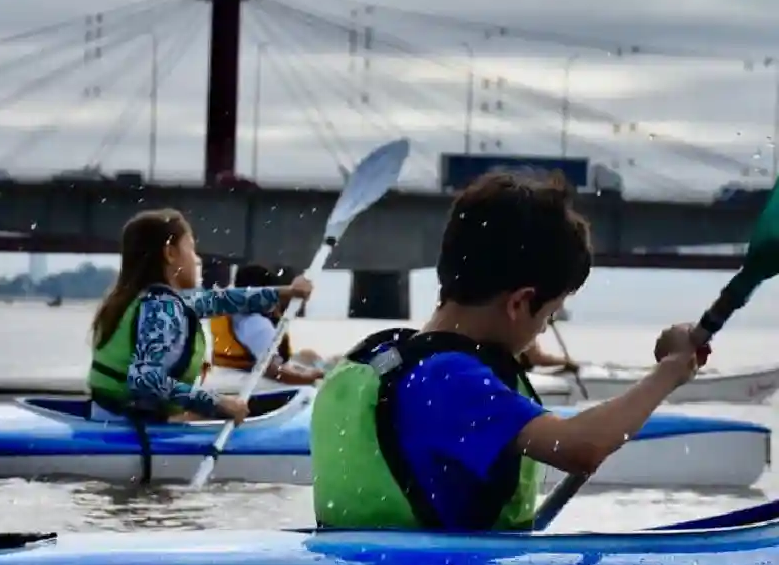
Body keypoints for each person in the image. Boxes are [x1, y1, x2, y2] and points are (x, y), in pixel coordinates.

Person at [310, 171, 708, 532]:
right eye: (549, 315)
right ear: (520, 304)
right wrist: (670, 370)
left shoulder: (387, 358)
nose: (543, 328)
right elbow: (580, 447)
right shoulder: (450, 381)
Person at [87, 208, 313, 425]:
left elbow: (222, 300)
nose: (196, 259)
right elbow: (145, 381)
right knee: (214, 415)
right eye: (191, 249)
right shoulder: (162, 308)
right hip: (132, 427)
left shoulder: (150, 298)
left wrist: (287, 293)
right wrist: (216, 403)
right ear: (171, 253)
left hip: (113, 416)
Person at [209, 263, 326, 386]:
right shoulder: (257, 324)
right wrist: (308, 378)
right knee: (312, 388)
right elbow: (273, 371)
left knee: (308, 355)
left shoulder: (230, 311)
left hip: (226, 375)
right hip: (249, 383)